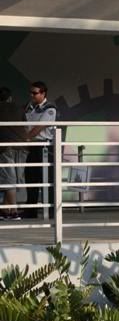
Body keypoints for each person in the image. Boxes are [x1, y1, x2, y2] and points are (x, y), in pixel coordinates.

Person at [24, 81, 57, 219]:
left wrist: (25, 138)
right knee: (30, 177)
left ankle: (50, 211)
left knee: (47, 180)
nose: (32, 95)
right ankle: (30, 211)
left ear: (43, 93)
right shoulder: (30, 107)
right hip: (32, 146)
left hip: (44, 147)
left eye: (35, 93)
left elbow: (39, 127)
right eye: (31, 92)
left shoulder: (50, 108)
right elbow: (26, 125)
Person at [0, 87, 27, 220]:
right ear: (10, 98)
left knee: (9, 179)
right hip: (21, 146)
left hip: (5, 146)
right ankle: (5, 211)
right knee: (13, 178)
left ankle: (14, 211)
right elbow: (25, 125)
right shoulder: (19, 108)